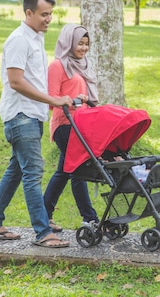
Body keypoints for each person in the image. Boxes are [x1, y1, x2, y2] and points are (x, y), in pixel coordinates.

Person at [0, 0, 71, 248]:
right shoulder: (19, 40)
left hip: (31, 115)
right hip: (21, 116)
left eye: (51, 14)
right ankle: (43, 233)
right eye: (44, 14)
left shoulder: (35, 38)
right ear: (28, 13)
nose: (49, 19)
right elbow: (16, 81)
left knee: (16, 171)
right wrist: (53, 101)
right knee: (32, 172)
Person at [43, 24, 100, 232]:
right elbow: (50, 99)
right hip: (65, 125)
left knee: (64, 171)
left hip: (81, 126)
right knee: (77, 170)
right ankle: (90, 218)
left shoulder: (83, 64)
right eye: (80, 44)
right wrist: (71, 100)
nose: (83, 48)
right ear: (69, 42)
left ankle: (43, 215)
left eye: (86, 44)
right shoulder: (58, 66)